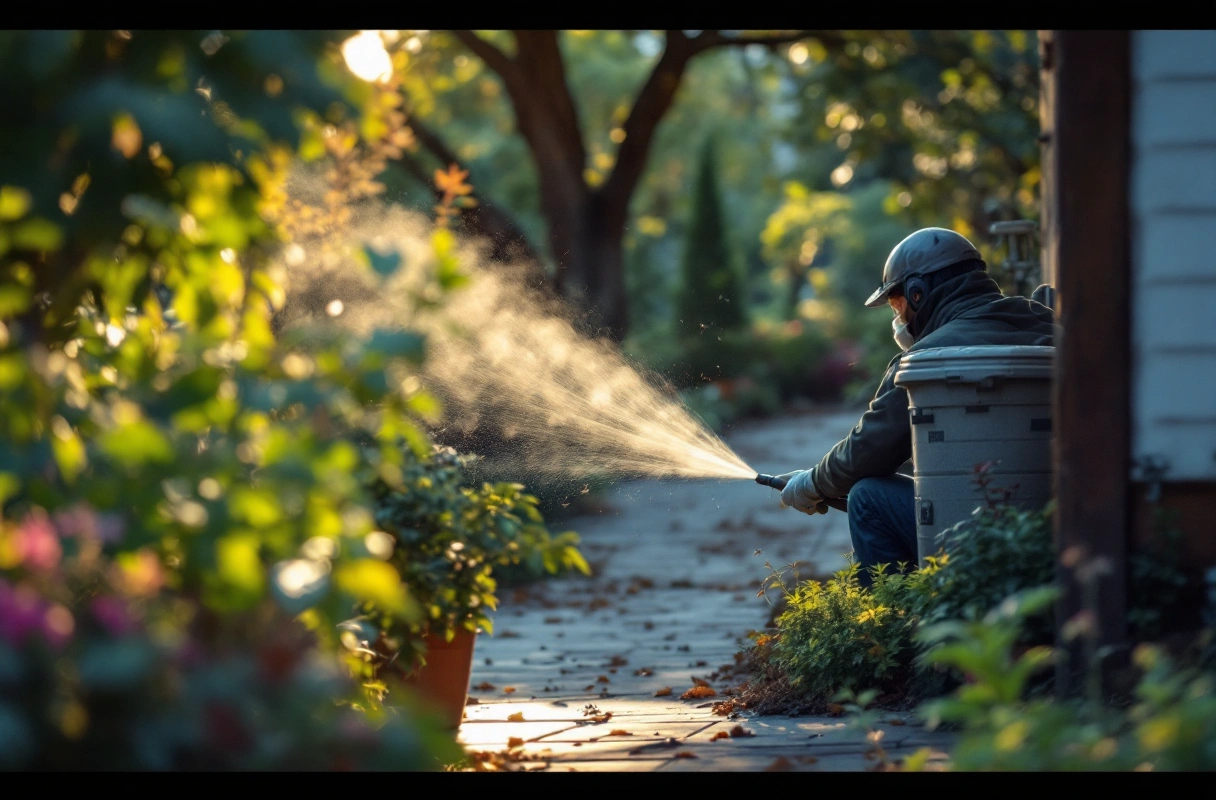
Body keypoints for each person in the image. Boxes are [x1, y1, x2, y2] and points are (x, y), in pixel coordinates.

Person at [774, 227, 1055, 585]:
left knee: (867, 497)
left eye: (897, 304)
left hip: (964, 540)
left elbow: (868, 448)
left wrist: (810, 483)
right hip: (1051, 530)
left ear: (918, 293)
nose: (899, 318)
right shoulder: (1047, 326)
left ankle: (899, 625)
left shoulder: (924, 361)